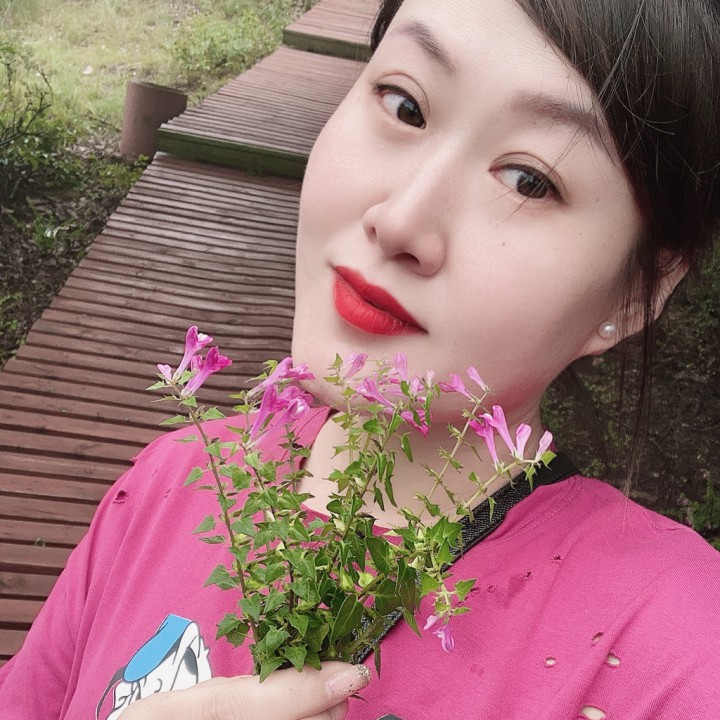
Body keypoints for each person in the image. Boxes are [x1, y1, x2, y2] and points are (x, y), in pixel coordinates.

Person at [2, 0, 719, 717]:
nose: (400, 220)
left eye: (529, 180)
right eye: (405, 104)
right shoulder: (171, 481)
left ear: (637, 294)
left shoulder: (677, 651)